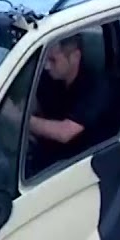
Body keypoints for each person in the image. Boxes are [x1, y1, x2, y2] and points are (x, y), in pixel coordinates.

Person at [23, 32, 109, 174]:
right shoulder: (50, 78)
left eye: (53, 60)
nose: (47, 66)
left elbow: (65, 132)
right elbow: (36, 105)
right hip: (45, 155)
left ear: (75, 57)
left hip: (79, 164)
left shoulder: (96, 87)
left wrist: (22, 121)